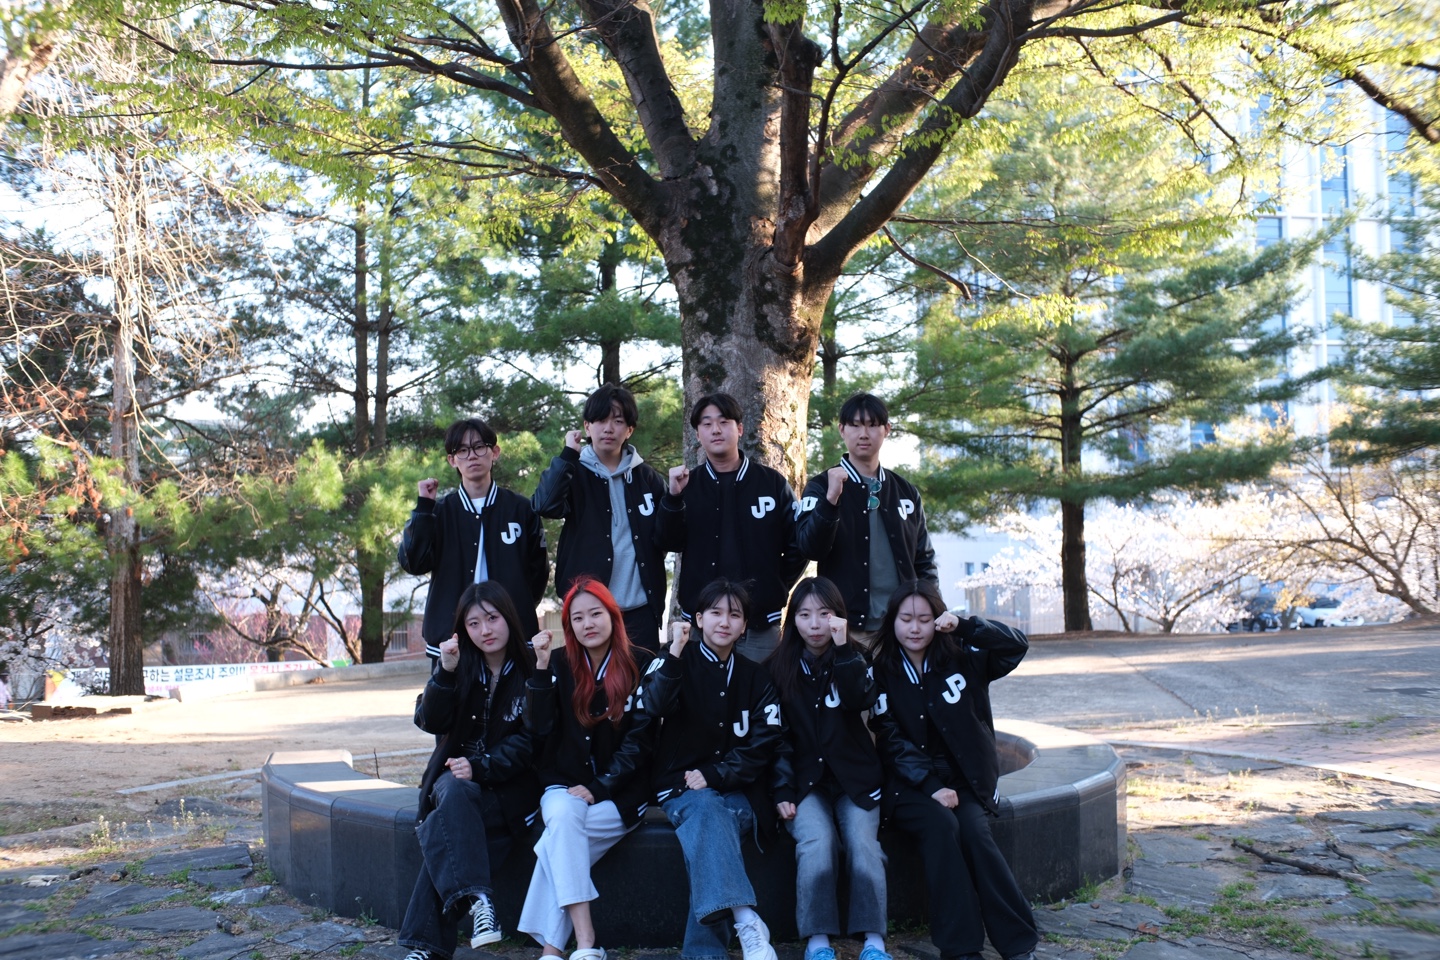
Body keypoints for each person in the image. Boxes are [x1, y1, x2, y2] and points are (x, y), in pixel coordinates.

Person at [867, 581, 1038, 960]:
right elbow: (890, 739)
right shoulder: (881, 672)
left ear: (938, 620)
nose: (915, 628)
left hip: (964, 780)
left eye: (924, 619)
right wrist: (930, 785)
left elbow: (1016, 646)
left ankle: (1018, 942)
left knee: (976, 833)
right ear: (892, 621)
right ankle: (961, 948)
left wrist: (965, 626)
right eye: (906, 619)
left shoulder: (963, 656)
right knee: (942, 827)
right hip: (910, 785)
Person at [642, 579, 785, 960]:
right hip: (679, 789)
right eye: (715, 613)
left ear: (745, 625)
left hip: (740, 791)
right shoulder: (674, 660)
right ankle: (746, 918)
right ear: (699, 619)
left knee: (711, 826)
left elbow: (765, 742)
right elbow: (653, 706)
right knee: (707, 812)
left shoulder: (757, 676)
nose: (724, 622)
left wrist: (717, 774)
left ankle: (707, 953)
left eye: (734, 615)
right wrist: (674, 653)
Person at [399, 581, 541, 960]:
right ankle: (480, 899)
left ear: (508, 617)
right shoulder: (457, 664)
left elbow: (532, 742)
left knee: (445, 828)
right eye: (474, 623)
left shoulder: (532, 669)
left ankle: (427, 947)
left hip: (508, 788)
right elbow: (428, 720)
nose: (485, 630)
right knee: (455, 791)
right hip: (454, 780)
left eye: (492, 619)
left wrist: (479, 767)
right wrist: (444, 673)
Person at [518, 578, 657, 960]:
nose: (587, 624)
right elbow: (538, 729)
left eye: (595, 613)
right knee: (564, 818)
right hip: (563, 785)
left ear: (613, 615)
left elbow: (641, 741)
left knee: (558, 842)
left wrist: (600, 786)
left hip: (620, 794)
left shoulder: (641, 662)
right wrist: (540, 668)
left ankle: (551, 950)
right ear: (569, 625)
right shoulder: (558, 662)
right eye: (577, 618)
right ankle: (585, 941)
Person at [765, 577, 891, 960]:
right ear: (792, 620)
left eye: (825, 614)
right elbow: (775, 738)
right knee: (816, 842)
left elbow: (859, 700)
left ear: (839, 617)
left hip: (856, 779)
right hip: (805, 783)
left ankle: (874, 941)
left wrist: (844, 650)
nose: (816, 624)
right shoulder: (776, 668)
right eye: (804, 615)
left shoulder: (857, 658)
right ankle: (817, 942)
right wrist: (782, 789)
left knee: (863, 844)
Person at [657, 392, 805, 661]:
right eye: (707, 424)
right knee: (702, 688)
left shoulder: (771, 483)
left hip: (760, 624)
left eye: (724, 422)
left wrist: (774, 582)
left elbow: (799, 543)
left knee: (761, 686)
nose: (716, 429)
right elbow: (668, 542)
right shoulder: (687, 485)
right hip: (701, 624)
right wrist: (673, 499)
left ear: (740, 429)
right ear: (698, 434)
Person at [531, 384, 669, 652]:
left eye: (618, 421)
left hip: (640, 609)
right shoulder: (573, 471)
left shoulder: (647, 478)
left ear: (629, 430)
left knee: (644, 676)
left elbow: (666, 537)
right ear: (587, 426)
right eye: (601, 420)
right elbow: (545, 505)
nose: (608, 428)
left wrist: (674, 499)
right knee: (589, 678)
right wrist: (568, 455)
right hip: (589, 610)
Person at [796, 393, 937, 647]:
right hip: (846, 627)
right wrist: (830, 501)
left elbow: (924, 560)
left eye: (872, 425)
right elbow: (810, 549)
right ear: (842, 430)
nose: (864, 434)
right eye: (855, 425)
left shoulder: (905, 491)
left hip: (901, 627)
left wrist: (933, 610)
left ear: (887, 430)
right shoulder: (820, 487)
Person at [400, 417, 549, 655]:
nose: (472, 456)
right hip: (451, 639)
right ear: (452, 460)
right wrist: (423, 509)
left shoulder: (521, 509)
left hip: (513, 634)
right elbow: (414, 563)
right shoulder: (438, 512)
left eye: (479, 447)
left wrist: (516, 607)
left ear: (495, 452)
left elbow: (538, 571)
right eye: (462, 450)